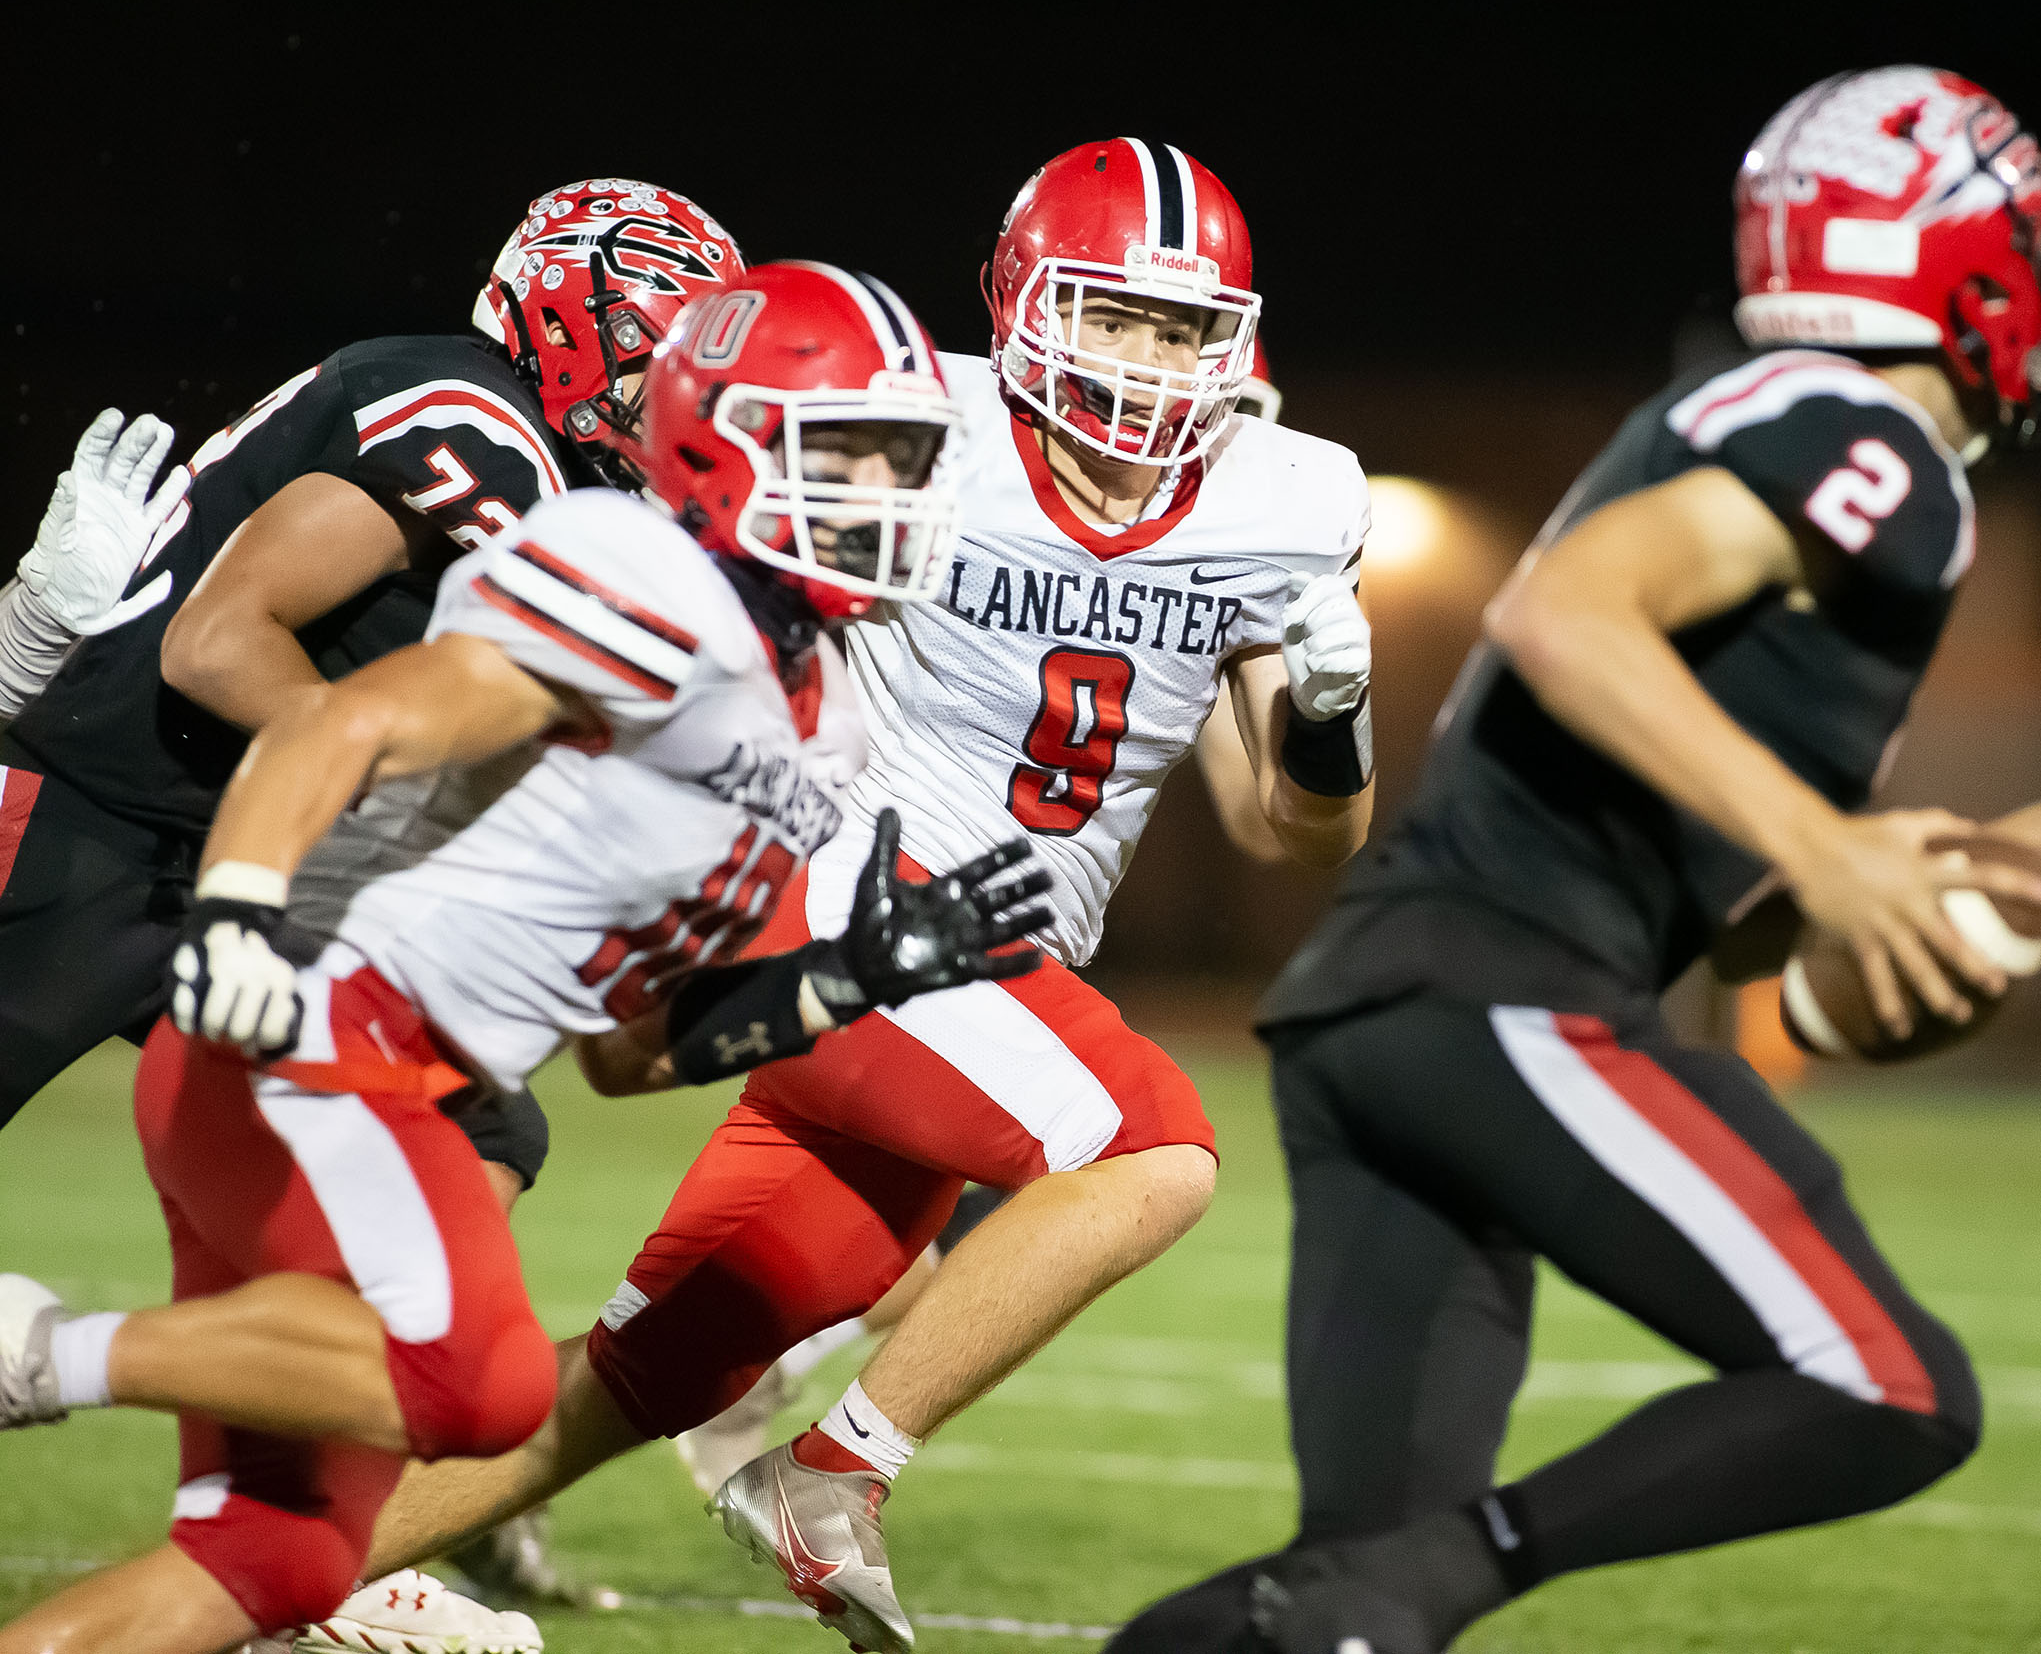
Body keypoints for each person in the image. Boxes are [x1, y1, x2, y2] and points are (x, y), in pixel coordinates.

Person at [1111, 67, 2041, 1653]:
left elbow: (1746, 934)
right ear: (1972, 265)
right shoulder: (1872, 442)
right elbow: (1570, 615)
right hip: (1506, 997)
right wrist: (1831, 844)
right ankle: (1482, 1558)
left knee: (1341, 1598)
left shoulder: (1767, 426)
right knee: (1891, 1382)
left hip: (1386, 1006)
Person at [303, 138, 1377, 1654]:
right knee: (1155, 1149)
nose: (1144, 366)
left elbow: (1299, 833)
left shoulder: (1285, 501)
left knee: (646, 1373)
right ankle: (831, 1474)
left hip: (978, 968)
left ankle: (280, 1585)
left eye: (1181, 331)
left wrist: (1330, 711)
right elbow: (698, 476)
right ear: (1024, 301)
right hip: (846, 900)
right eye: (1113, 317)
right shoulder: (916, 417)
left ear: (1234, 344)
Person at [0, 261, 1054, 1654]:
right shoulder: (648, 574)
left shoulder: (824, 720)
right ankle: (36, 1350)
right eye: (847, 455)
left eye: (904, 463)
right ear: (722, 441)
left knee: (272, 1560)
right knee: (484, 1386)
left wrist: (838, 979)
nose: (888, 498)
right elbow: (349, 722)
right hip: (331, 1025)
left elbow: (629, 1050)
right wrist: (247, 906)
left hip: (416, 1069)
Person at [0, 180, 745, 1213]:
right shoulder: (470, 408)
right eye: (649, 353)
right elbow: (215, 646)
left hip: (258, 865)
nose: (666, 393)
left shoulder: (575, 480)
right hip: (99, 820)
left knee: (474, 1132)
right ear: (568, 315)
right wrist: (401, 785)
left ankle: (225, 1357)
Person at [668, 333, 1296, 1495]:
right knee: (1138, 1153)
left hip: (1018, 949)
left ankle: (547, 1444)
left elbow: (1273, 822)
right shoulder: (978, 502)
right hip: (899, 910)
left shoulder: (1224, 579)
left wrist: (1290, 690)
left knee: (757, 1298)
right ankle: (815, 1438)